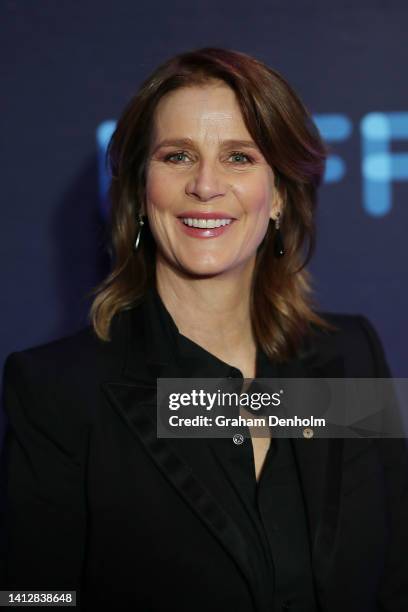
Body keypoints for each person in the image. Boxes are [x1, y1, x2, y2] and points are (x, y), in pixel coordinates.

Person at [1, 47, 407, 612]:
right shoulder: (61, 391)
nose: (206, 185)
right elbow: (31, 598)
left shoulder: (350, 353)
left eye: (239, 157)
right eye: (178, 157)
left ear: (280, 197)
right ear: (142, 192)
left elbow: (395, 577)